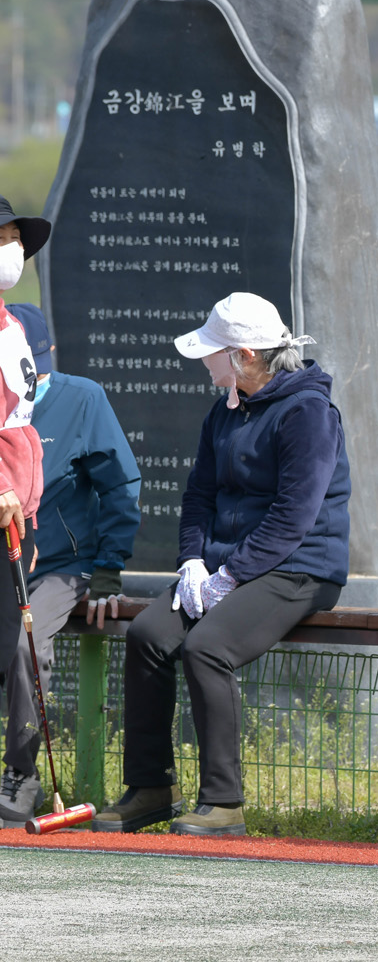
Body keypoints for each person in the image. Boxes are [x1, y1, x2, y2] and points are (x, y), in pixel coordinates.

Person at [91, 293, 349, 837]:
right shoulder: (226, 407)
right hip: (224, 567)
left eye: (212, 352)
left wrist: (232, 575)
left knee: (208, 648)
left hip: (301, 567)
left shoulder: (309, 412)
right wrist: (192, 561)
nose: (204, 361)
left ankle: (223, 803)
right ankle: (151, 789)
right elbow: (199, 495)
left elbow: (294, 516)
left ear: (244, 356)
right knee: (148, 635)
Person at [0, 304, 139, 826]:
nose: (29, 385)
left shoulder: (83, 399)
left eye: (35, 371)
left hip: (61, 564)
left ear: (49, 354)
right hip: (5, 560)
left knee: (25, 644)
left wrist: (108, 567)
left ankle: (21, 773)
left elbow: (120, 484)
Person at [0, 196, 48, 685]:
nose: (12, 250)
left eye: (15, 239)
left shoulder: (11, 324)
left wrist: (28, 519)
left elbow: (20, 420)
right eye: (0, 239)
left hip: (15, 515)